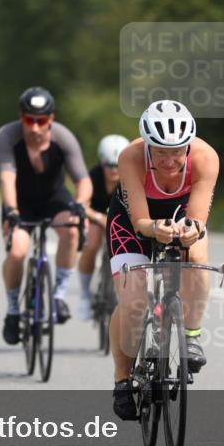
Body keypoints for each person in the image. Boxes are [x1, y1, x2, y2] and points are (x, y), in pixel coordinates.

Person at [107, 100, 219, 421]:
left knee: (196, 254)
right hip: (132, 221)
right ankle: (122, 378)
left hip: (179, 213)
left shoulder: (205, 157)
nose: (170, 160)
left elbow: (197, 219)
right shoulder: (130, 156)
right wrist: (154, 229)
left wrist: (188, 232)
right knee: (133, 300)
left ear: (188, 146)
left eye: (177, 151)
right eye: (160, 152)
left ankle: (192, 336)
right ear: (148, 146)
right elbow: (141, 220)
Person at [0, 87, 91, 344]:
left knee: (71, 230)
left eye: (41, 121)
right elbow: (7, 178)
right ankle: (13, 310)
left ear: (52, 118)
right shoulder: (7, 136)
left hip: (53, 197)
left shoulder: (63, 138)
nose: (35, 128)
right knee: (17, 251)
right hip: (20, 200)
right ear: (21, 117)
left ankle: (58, 295)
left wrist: (80, 204)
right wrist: (12, 211)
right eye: (29, 120)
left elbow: (83, 180)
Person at [77, 134, 130, 320]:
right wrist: (99, 217)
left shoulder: (130, 178)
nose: (114, 170)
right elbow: (82, 205)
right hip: (97, 217)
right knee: (91, 245)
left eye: (118, 165)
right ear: (101, 163)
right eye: (109, 165)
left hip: (121, 218)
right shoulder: (92, 177)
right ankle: (84, 295)